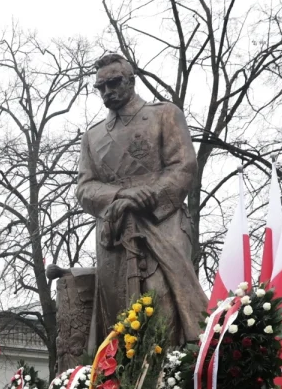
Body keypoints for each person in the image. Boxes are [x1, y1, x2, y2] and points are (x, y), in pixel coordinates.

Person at [76, 53, 208, 344]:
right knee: (118, 316)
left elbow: (184, 165)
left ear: (131, 81)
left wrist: (150, 196)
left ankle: (172, 369)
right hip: (114, 232)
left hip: (161, 222)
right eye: (101, 87)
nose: (107, 91)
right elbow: (84, 188)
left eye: (114, 83)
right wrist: (122, 195)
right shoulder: (92, 137)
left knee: (163, 303)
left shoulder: (164, 114)